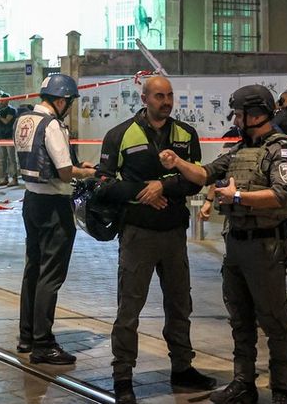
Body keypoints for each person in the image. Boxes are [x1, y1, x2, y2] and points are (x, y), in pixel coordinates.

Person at [162, 84, 287, 404]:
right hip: (237, 247)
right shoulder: (238, 151)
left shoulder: (281, 150)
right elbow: (205, 174)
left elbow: (279, 194)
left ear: (255, 114)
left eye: (239, 113)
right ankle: (244, 383)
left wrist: (237, 196)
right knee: (240, 319)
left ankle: (281, 390)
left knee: (275, 322)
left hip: (266, 247)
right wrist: (177, 163)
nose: (235, 119)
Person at [96, 75, 216, 403]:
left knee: (180, 304)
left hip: (174, 234)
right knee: (129, 307)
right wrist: (141, 193)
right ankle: (123, 376)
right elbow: (102, 184)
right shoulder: (119, 135)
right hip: (138, 233)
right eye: (159, 96)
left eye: (170, 95)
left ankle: (182, 369)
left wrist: (163, 187)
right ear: (145, 97)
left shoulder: (185, 135)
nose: (166, 101)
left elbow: (195, 181)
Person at [16, 74, 96, 365]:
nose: (69, 107)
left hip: (31, 201)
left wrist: (76, 164)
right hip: (53, 204)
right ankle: (43, 344)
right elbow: (63, 171)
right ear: (61, 100)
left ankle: (26, 336)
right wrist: (88, 173)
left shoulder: (25, 120)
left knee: (33, 269)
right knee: (51, 274)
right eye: (69, 102)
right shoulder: (51, 125)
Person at [0, 92, 19, 186]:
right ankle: (5, 178)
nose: (1, 101)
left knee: (11, 158)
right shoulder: (0, 110)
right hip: (1, 136)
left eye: (3, 99)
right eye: (0, 100)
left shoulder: (11, 110)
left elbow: (6, 121)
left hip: (9, 136)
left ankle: (14, 178)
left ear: (8, 100)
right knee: (3, 159)